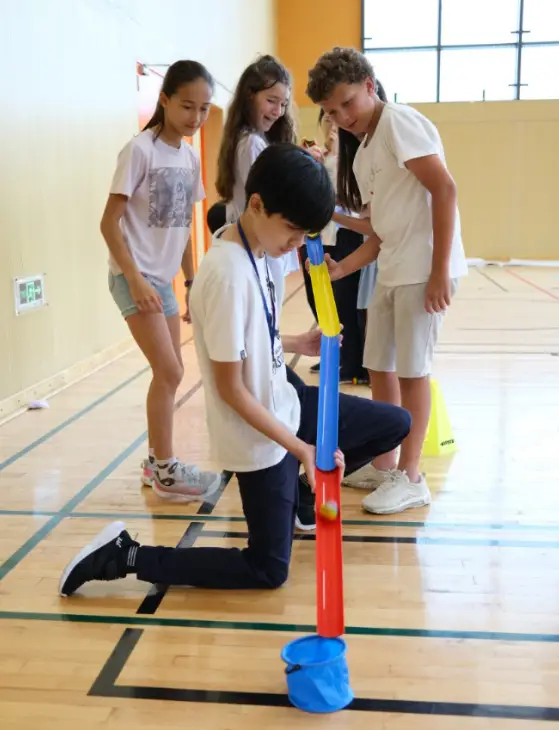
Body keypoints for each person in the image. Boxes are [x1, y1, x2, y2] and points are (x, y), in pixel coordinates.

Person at [59, 143, 411, 598]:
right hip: (259, 436)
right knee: (267, 569)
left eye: (304, 233)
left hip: (283, 403)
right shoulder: (226, 274)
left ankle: (299, 501)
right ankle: (124, 555)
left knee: (394, 423)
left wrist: (293, 344)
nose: (295, 243)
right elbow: (231, 389)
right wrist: (302, 450)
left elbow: (246, 339)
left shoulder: (256, 245)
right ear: (259, 204)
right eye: (292, 229)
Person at [306, 47, 468, 514]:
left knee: (412, 371)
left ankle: (411, 477)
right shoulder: (362, 154)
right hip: (394, 267)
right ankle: (384, 464)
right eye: (331, 112)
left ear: (370, 87)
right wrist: (342, 263)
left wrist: (439, 271)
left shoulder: (399, 122)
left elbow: (445, 188)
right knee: (379, 364)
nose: (342, 117)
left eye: (347, 103)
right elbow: (376, 233)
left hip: (423, 268)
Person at [100, 60, 222, 502]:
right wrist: (133, 279)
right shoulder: (139, 151)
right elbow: (109, 223)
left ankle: (158, 465)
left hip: (164, 282)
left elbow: (183, 226)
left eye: (205, 109)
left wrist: (190, 283)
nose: (196, 118)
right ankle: (166, 469)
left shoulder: (189, 157)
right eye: (187, 106)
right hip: (134, 277)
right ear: (165, 100)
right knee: (170, 370)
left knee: (169, 375)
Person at [215, 55, 322, 530]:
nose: (278, 109)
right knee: (256, 348)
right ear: (249, 97)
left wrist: (295, 344)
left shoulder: (256, 142)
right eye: (270, 99)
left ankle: (285, 423)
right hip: (256, 251)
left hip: (263, 253)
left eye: (283, 101)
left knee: (269, 340)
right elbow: (229, 386)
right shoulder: (248, 145)